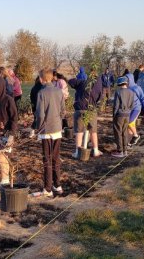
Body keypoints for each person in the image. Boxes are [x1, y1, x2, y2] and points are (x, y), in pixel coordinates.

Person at [35, 68, 65, 197]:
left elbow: (40, 114)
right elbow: (63, 111)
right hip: (57, 129)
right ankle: (57, 185)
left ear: (42, 79)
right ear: (52, 78)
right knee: (56, 158)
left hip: (46, 131)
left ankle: (47, 189)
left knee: (47, 159)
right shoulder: (59, 91)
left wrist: (38, 128)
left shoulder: (41, 93)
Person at [69, 70, 103, 158]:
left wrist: (80, 80)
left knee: (79, 132)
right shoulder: (98, 85)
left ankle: (77, 152)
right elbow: (100, 97)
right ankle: (95, 150)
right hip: (91, 110)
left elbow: (70, 81)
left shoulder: (82, 83)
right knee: (93, 131)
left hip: (79, 110)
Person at [111, 76, 134, 158]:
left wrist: (114, 115)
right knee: (124, 132)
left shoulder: (118, 92)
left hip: (119, 115)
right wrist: (128, 111)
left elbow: (116, 105)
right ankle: (125, 150)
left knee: (118, 132)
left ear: (119, 83)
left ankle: (120, 151)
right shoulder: (131, 92)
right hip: (127, 114)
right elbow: (132, 105)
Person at [125, 73, 144, 147]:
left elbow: (143, 99)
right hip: (129, 109)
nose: (126, 81)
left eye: (127, 80)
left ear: (131, 80)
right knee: (130, 125)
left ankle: (136, 136)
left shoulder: (136, 88)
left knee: (129, 122)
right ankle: (129, 143)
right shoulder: (125, 88)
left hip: (136, 108)